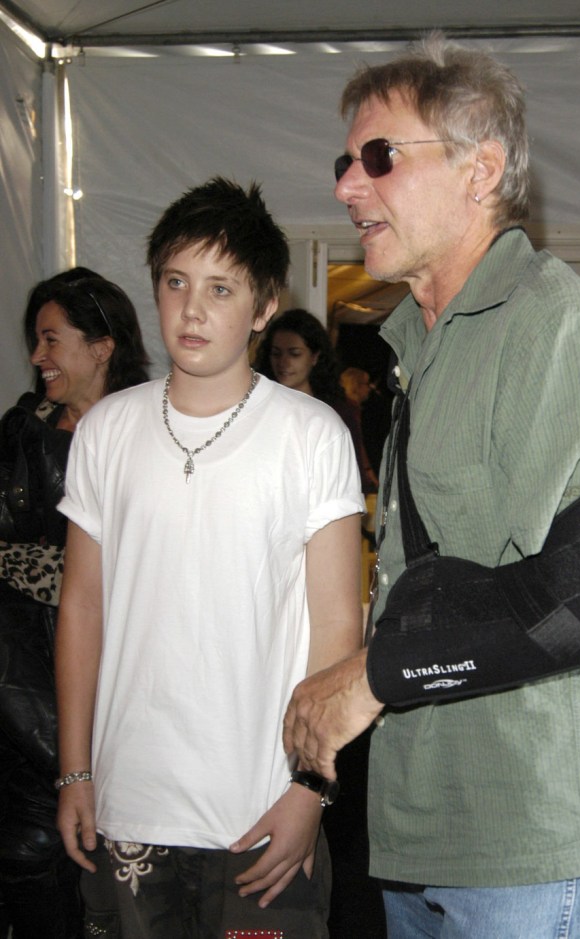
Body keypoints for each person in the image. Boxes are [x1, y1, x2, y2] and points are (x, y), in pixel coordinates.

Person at [282, 34, 580, 939]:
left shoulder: (557, 325)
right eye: (345, 161)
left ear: (481, 170)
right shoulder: (420, 344)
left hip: (530, 827)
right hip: (433, 815)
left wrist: (376, 674)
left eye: (379, 157)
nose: (347, 185)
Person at [54, 177, 364, 939]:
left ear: (262, 307)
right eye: (176, 282)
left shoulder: (310, 433)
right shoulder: (106, 431)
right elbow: (81, 606)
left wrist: (308, 790)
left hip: (259, 811)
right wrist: (74, 770)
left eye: (221, 288)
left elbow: (336, 624)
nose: (192, 309)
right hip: (129, 800)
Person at [0, 269, 149, 939]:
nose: (38, 358)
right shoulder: (21, 429)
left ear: (103, 345)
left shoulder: (152, 433)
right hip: (20, 685)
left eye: (52, 340)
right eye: (37, 341)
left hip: (124, 687)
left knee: (119, 871)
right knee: (29, 857)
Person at [257, 309, 378, 492]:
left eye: (294, 353)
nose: (283, 362)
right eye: (276, 353)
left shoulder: (338, 413)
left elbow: (352, 483)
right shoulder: (258, 409)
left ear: (314, 357)